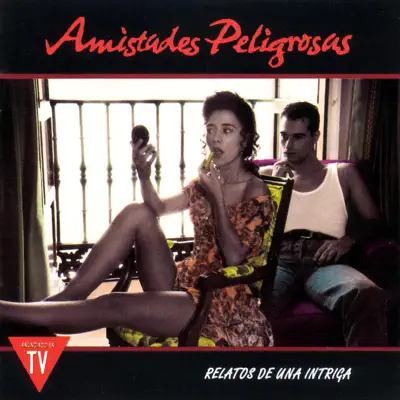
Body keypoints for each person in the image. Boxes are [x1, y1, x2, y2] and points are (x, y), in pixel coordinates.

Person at [0, 91, 274, 347]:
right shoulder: (207, 180)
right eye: (211, 129)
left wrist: (217, 199)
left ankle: (10, 314)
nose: (215, 138)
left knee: (113, 303)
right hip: (184, 280)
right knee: (137, 211)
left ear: (245, 139)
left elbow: (236, 258)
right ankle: (66, 298)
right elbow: (157, 207)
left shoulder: (255, 190)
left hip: (219, 299)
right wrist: (144, 174)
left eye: (227, 130)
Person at [260, 101, 387, 346]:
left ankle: (365, 369)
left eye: (298, 137)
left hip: (325, 261)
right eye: (284, 136)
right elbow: (254, 231)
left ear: (315, 137)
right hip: (279, 259)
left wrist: (347, 240)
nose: (288, 146)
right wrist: (275, 188)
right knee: (249, 300)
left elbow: (375, 220)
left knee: (366, 293)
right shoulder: (267, 175)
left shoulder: (343, 173)